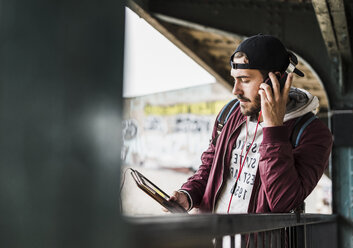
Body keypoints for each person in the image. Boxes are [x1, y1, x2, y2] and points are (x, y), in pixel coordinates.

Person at [169, 34, 333, 215]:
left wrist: (273, 130)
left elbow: (283, 201)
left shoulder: (313, 133)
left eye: (245, 80)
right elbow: (209, 167)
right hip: (212, 238)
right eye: (235, 79)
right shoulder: (230, 113)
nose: (235, 90)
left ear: (273, 80)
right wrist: (188, 194)